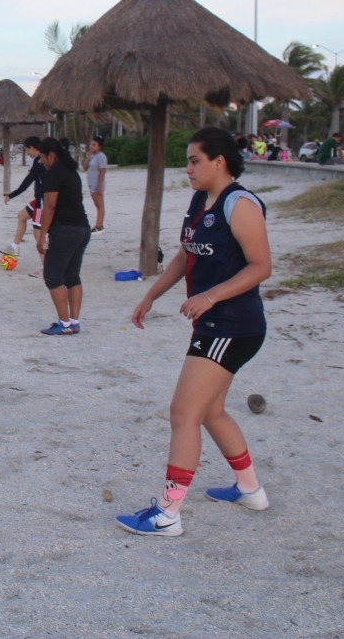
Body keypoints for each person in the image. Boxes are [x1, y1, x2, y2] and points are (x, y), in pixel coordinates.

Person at [116, 127, 271, 536]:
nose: (187, 169)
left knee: (183, 413)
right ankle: (251, 489)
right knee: (211, 411)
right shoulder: (201, 201)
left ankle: (167, 514)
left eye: (194, 160)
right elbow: (186, 256)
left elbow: (260, 266)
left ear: (219, 161)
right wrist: (150, 296)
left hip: (232, 326)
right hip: (216, 325)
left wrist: (211, 296)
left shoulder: (240, 204)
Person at [34, 137, 91, 335]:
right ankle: (74, 321)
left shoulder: (54, 174)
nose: (41, 161)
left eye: (42, 157)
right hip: (82, 228)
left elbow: (50, 206)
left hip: (65, 230)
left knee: (52, 275)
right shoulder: (71, 172)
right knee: (72, 276)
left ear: (51, 155)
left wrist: (42, 236)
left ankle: (64, 323)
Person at [3, 135, 46, 271]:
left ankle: (46, 268)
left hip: (43, 203)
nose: (27, 153)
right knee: (22, 216)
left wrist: (11, 195)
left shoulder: (40, 162)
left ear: (33, 148)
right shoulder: (39, 161)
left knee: (37, 234)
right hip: (38, 200)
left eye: (28, 150)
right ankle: (15, 247)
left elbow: (26, 183)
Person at [84, 134, 108, 232]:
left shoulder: (101, 157)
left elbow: (102, 172)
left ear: (99, 146)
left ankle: (99, 225)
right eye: (91, 144)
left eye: (94, 145)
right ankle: (99, 224)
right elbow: (85, 168)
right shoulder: (92, 156)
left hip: (97, 184)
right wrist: (87, 158)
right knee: (97, 205)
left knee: (100, 205)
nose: (91, 146)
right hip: (91, 184)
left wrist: (100, 187)